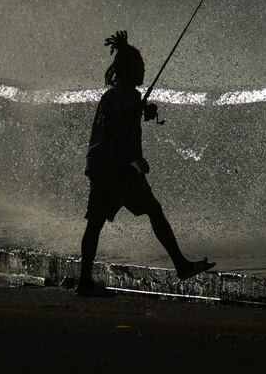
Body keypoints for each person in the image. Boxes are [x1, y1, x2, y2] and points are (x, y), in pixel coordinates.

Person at [75, 29, 214, 296]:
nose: (143, 70)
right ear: (128, 69)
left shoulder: (127, 96)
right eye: (139, 66)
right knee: (128, 215)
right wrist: (135, 115)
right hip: (112, 169)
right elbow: (112, 130)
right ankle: (181, 266)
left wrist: (141, 112)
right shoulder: (117, 97)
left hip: (112, 166)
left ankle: (85, 281)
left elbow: (125, 129)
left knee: (113, 218)